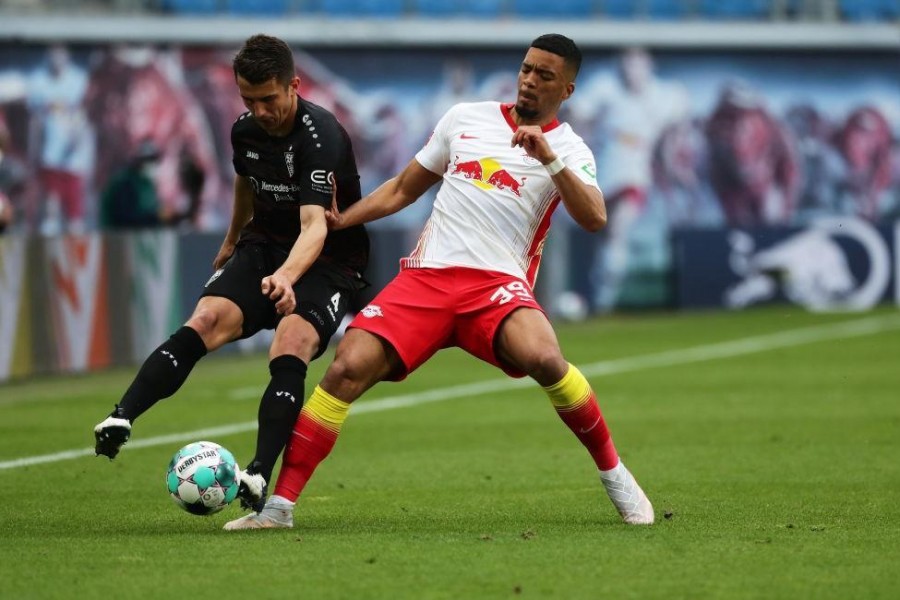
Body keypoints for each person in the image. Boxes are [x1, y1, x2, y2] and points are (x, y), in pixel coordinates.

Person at [225, 34, 654, 530]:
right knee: (346, 368)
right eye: (527, 69)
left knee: (545, 358)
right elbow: (405, 188)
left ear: (568, 89)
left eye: (545, 75)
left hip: (495, 285)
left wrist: (549, 159)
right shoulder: (464, 119)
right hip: (427, 279)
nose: (530, 81)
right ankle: (279, 508)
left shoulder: (569, 148)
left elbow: (596, 216)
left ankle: (616, 476)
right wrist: (343, 220)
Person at [93, 34, 370, 512]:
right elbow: (246, 179)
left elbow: (314, 227)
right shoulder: (243, 130)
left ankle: (259, 473)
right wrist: (232, 238)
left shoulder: (321, 138)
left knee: (291, 342)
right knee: (204, 320)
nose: (260, 110)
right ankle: (121, 417)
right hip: (264, 245)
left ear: (294, 86)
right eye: (249, 99)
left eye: (269, 99)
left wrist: (286, 277)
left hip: (327, 260)